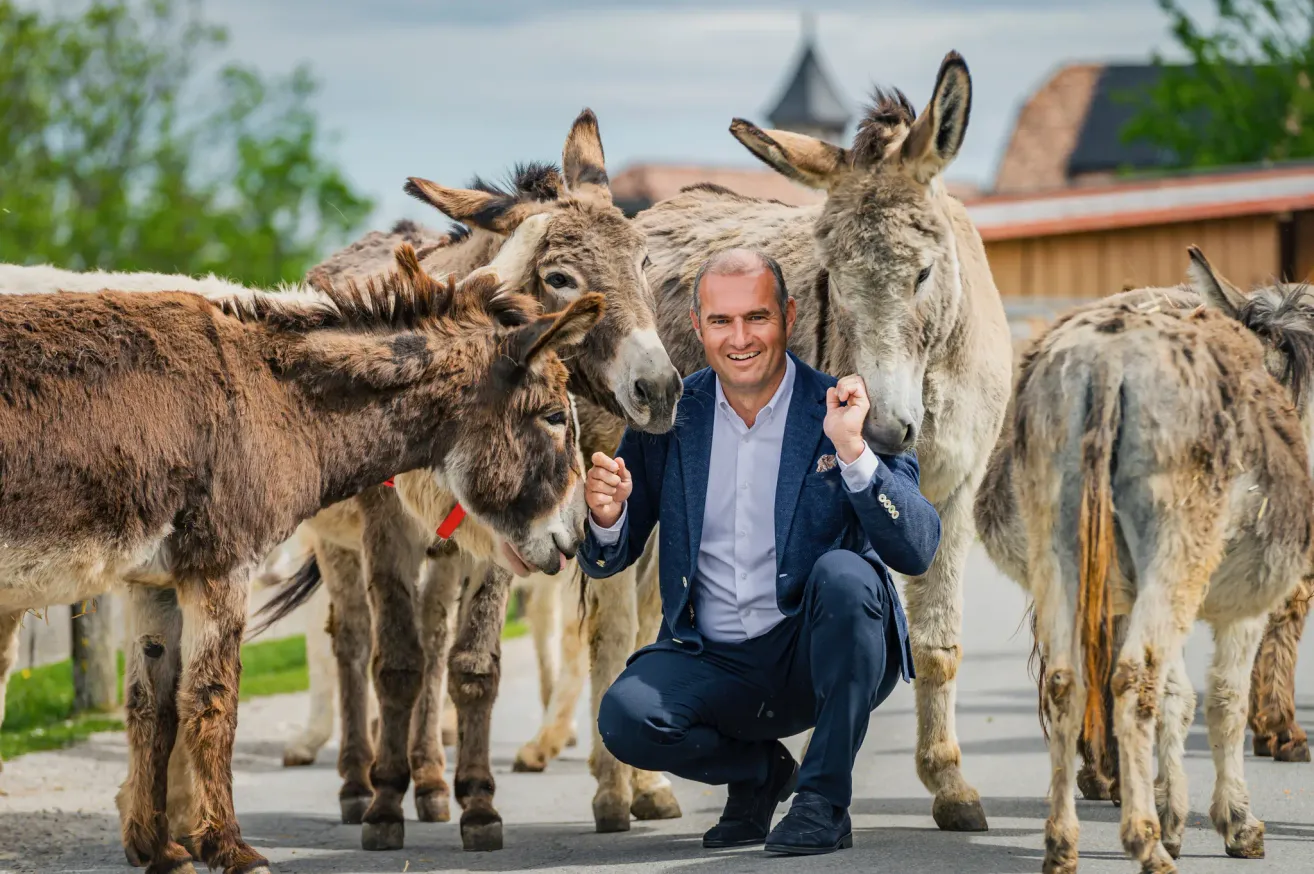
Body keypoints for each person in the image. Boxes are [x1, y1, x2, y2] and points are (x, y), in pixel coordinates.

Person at [579, 249, 941, 855]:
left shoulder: (843, 408)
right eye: (721, 321)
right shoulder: (669, 418)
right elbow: (606, 558)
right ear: (697, 327)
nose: (739, 338)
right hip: (713, 661)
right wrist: (607, 517)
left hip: (820, 656)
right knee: (626, 719)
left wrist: (855, 457)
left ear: (788, 317)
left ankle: (823, 801)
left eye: (757, 317)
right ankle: (760, 775)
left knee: (847, 576)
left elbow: (918, 547)